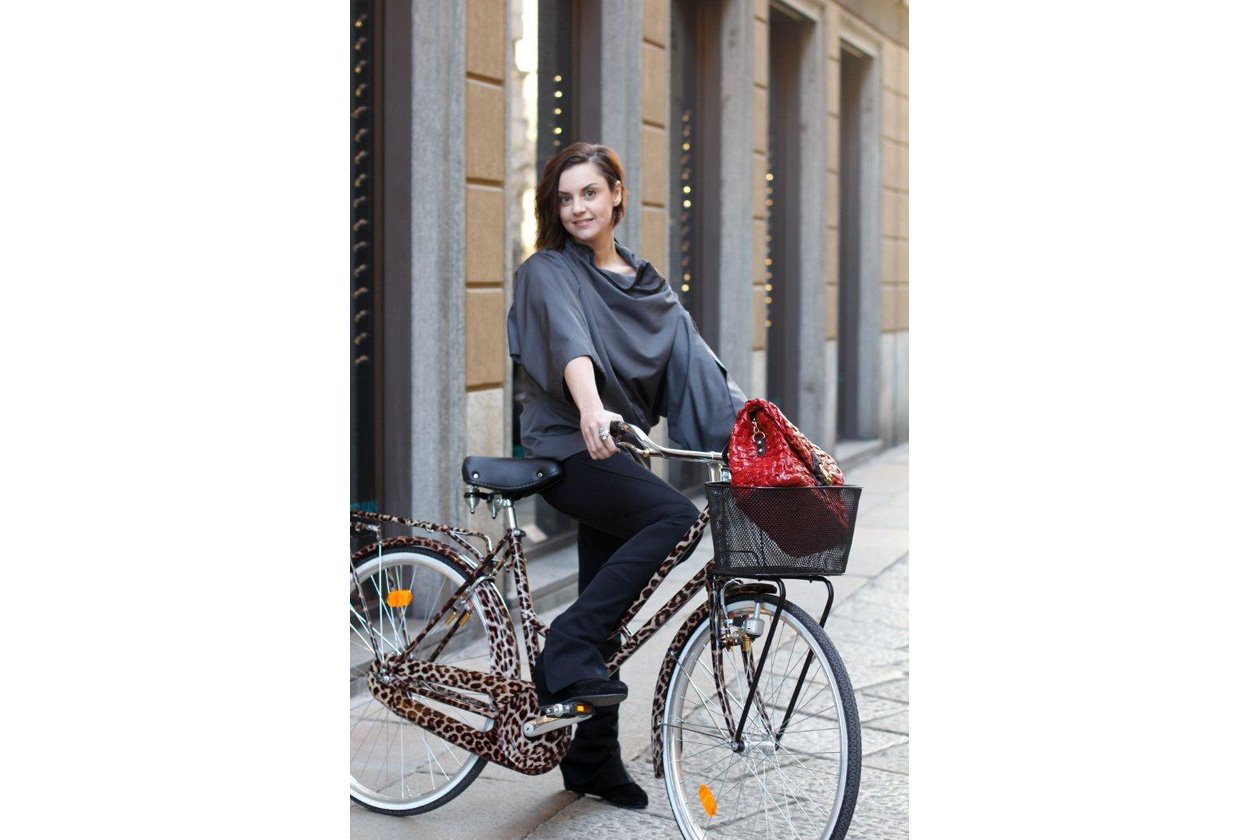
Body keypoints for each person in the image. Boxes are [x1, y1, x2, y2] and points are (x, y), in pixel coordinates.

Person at [506, 142, 746, 810]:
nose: (577, 208)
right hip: (569, 447)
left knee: (607, 604)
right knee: (674, 518)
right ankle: (565, 646)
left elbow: (701, 368)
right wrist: (591, 408)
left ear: (617, 194)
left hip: (618, 454)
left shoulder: (646, 285)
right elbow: (569, 342)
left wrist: (767, 438)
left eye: (589, 192)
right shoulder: (548, 271)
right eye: (564, 198)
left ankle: (592, 762)